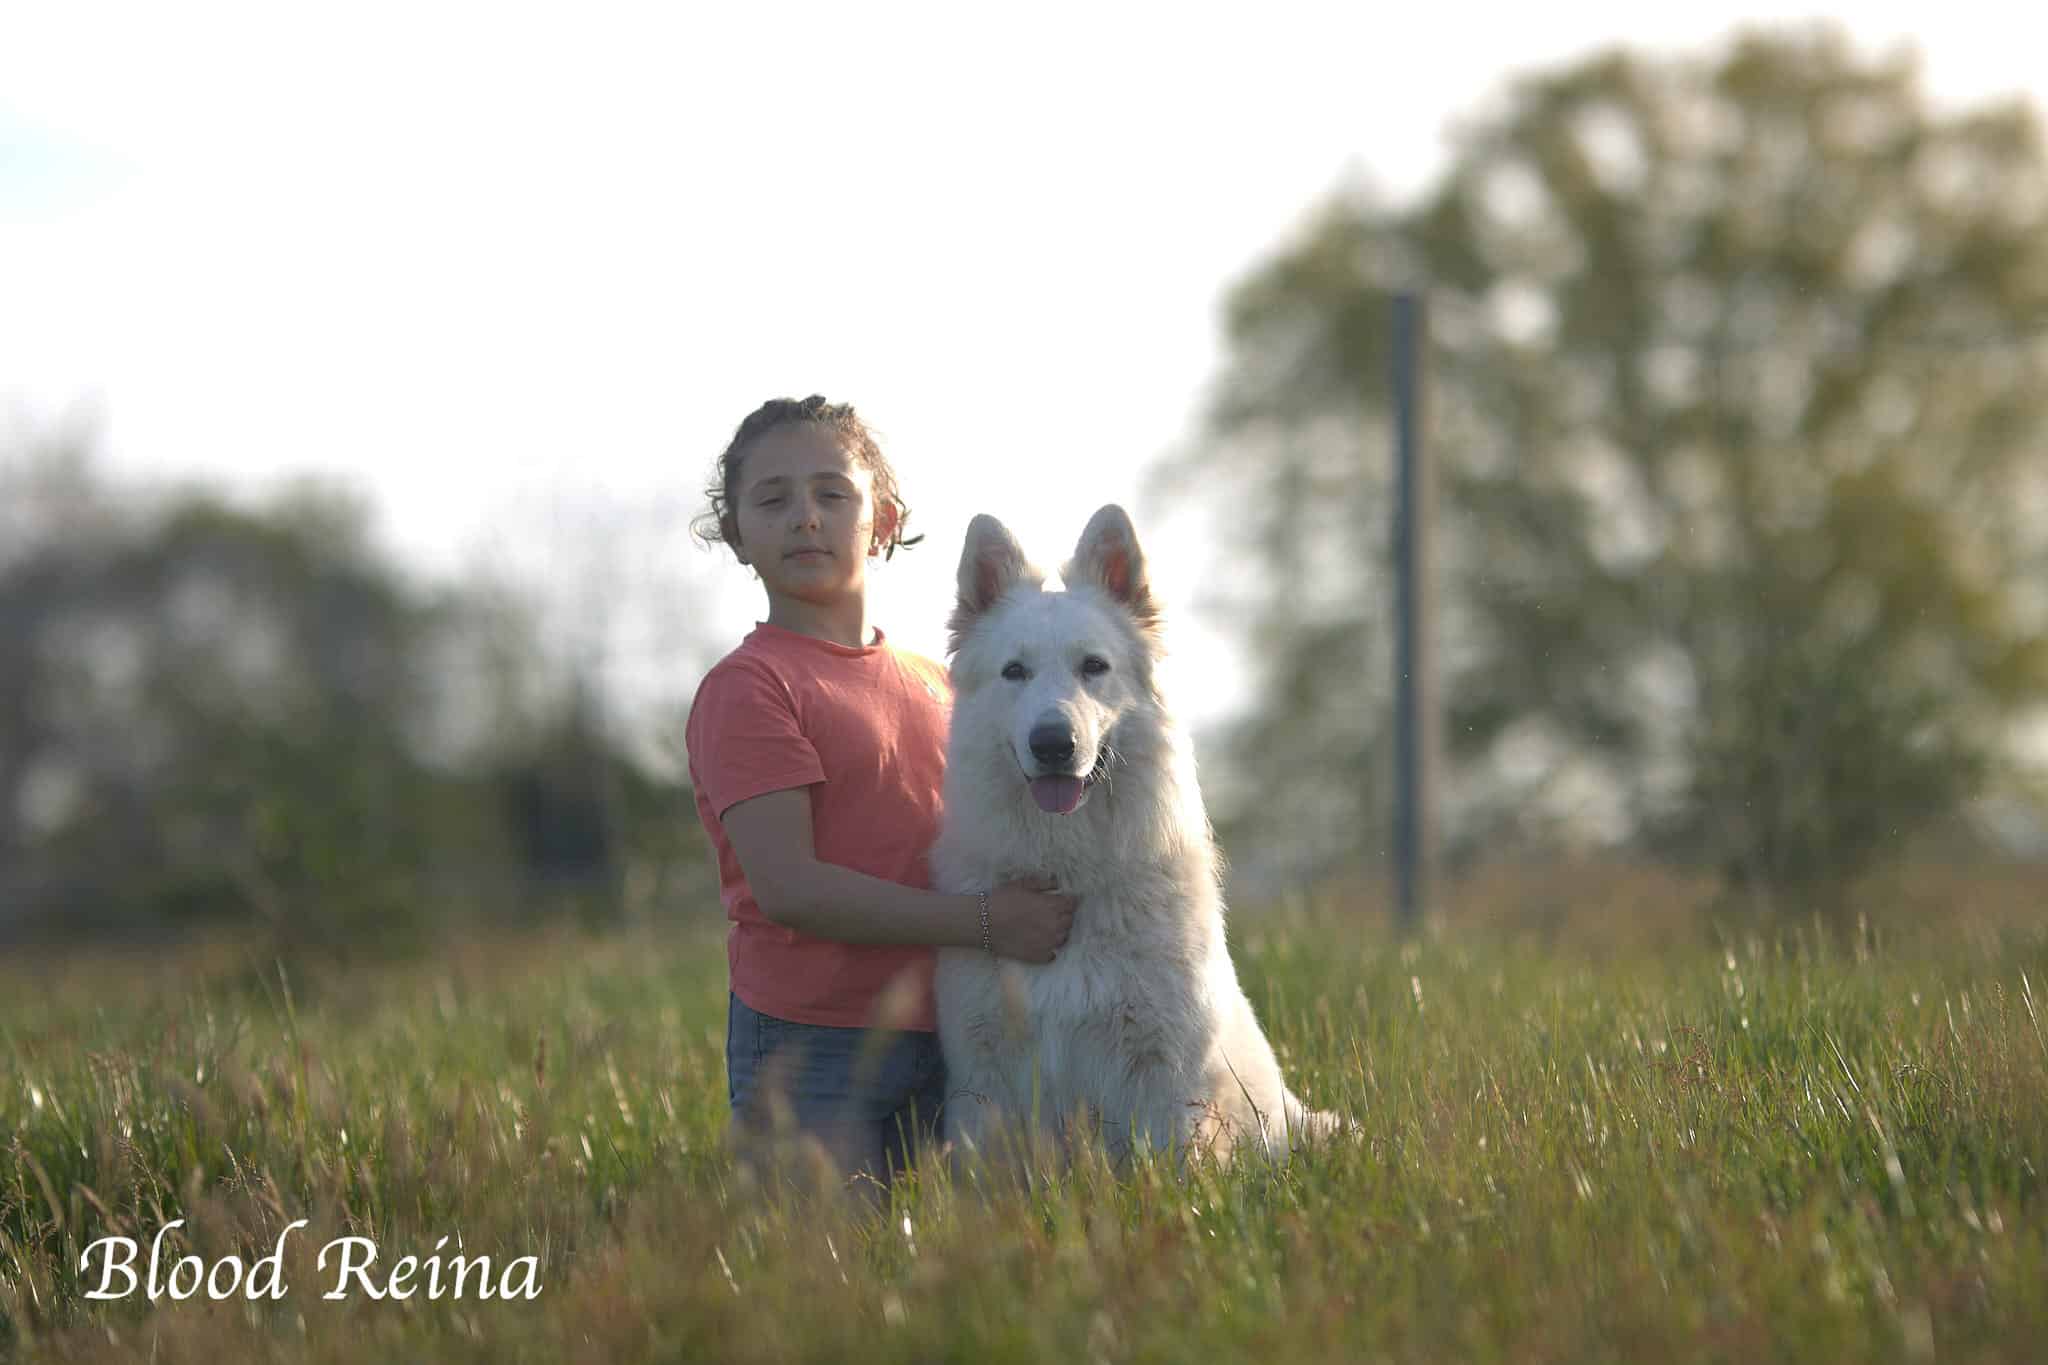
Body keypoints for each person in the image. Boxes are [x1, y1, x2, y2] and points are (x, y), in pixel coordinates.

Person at [684, 395, 1075, 1189]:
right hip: (812, 1047)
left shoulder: (945, 684)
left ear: (884, 519)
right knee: (824, 1262)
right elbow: (791, 889)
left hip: (962, 1034)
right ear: (736, 532)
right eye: (772, 499)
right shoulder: (750, 688)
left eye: (832, 493)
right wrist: (989, 923)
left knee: (955, 1256)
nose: (805, 517)